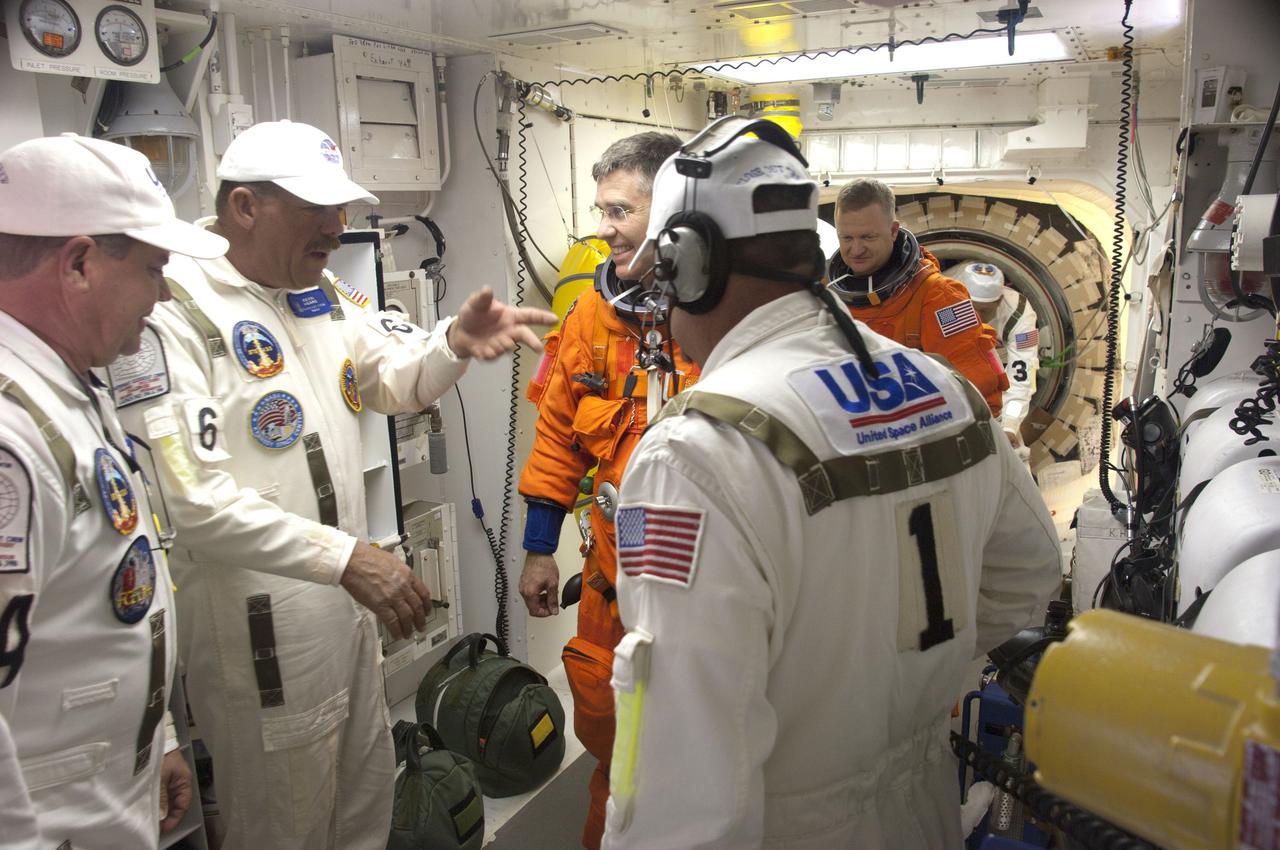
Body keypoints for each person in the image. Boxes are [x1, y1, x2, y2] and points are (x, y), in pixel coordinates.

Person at [600, 117, 1061, 849]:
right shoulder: (944, 386)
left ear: (692, 266)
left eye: (659, 269)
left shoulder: (695, 453)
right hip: (925, 810)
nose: (641, 285)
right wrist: (904, 679)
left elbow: (685, 789)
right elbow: (1028, 574)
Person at [110, 120, 555, 850]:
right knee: (284, 824)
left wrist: (451, 344)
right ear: (245, 206)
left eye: (340, 207)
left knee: (362, 809)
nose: (336, 225)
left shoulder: (316, 288)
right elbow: (191, 502)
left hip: (344, 614)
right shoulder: (173, 308)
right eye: (316, 208)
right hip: (263, 624)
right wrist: (346, 558)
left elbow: (393, 377)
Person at [0, 134, 229, 847]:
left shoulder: (67, 384)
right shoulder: (11, 433)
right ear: (78, 264)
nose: (162, 297)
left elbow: (101, 596)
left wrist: (156, 738)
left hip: (107, 789)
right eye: (154, 270)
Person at [517, 131, 698, 850]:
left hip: (703, 586)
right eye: (602, 211)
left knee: (707, 757)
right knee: (617, 763)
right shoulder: (589, 318)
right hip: (611, 585)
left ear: (673, 210)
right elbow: (557, 438)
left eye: (620, 211)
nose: (604, 228)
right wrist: (539, 549)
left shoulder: (720, 320)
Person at [827, 178, 1008, 415]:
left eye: (868, 237)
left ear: (893, 231)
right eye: (847, 238)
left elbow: (979, 393)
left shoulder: (940, 299)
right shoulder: (827, 294)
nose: (856, 250)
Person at [951, 261, 1039, 447]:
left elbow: (1023, 376)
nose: (976, 316)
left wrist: (1009, 425)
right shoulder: (944, 303)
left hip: (995, 357)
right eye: (970, 308)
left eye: (984, 311)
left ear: (998, 302)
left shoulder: (1020, 315)